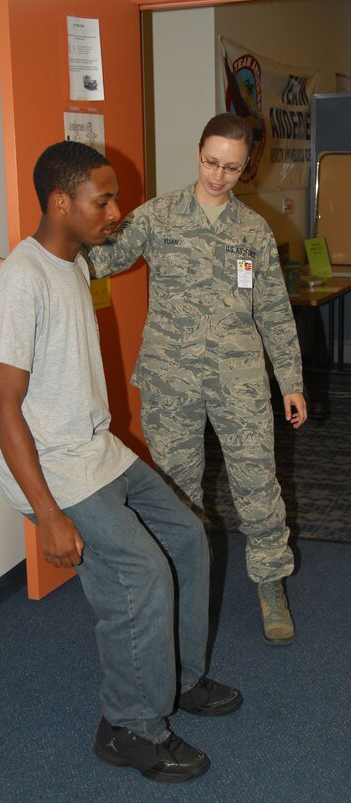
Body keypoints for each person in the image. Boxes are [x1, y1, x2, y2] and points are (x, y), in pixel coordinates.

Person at [0, 140, 242, 784]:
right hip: (54, 464)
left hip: (94, 446)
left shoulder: (73, 262)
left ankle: (176, 681)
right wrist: (45, 514)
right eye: (104, 200)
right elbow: (4, 407)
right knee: (140, 574)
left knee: (187, 537)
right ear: (59, 201)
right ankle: (130, 726)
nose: (117, 211)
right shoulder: (21, 281)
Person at [89, 114, 307, 647]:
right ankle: (182, 583)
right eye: (212, 162)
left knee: (256, 484)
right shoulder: (159, 215)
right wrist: (58, 241)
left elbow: (274, 311)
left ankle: (270, 584)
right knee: (176, 491)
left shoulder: (253, 230)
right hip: (171, 379)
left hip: (240, 380)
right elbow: (103, 259)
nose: (219, 176)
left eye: (232, 168)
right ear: (198, 153)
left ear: (246, 167)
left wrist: (291, 381)